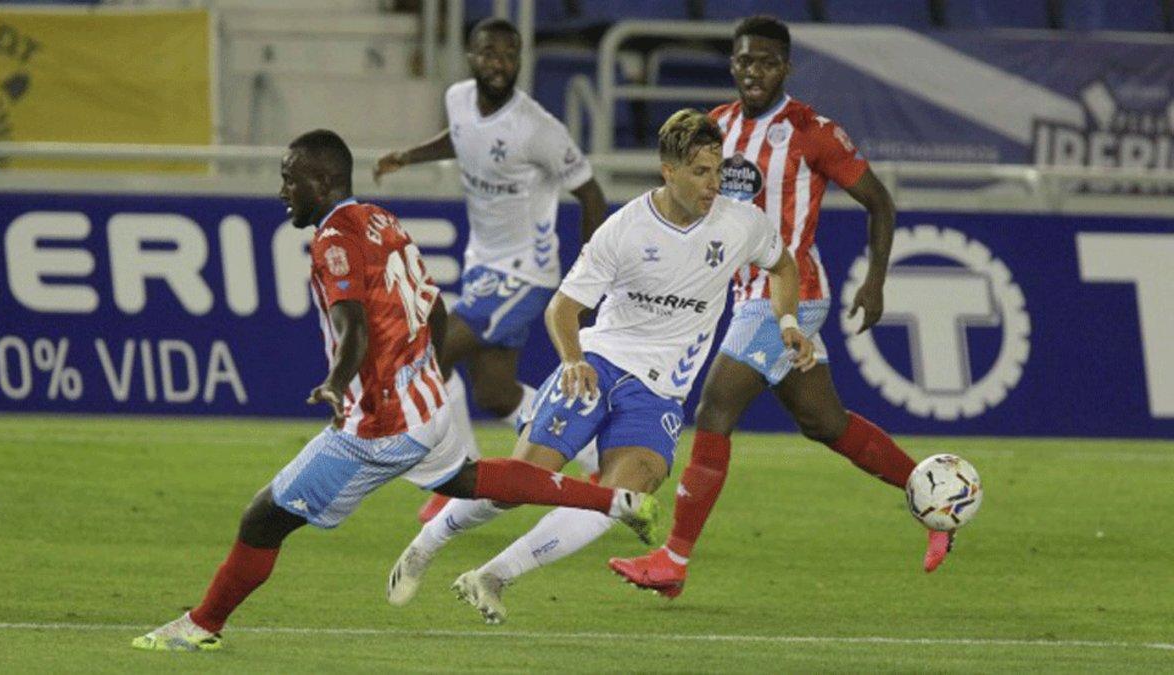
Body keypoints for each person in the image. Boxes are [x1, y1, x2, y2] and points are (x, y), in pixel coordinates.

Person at [131, 130, 656, 652]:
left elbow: (352, 327)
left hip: (379, 424)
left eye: (290, 179)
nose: (283, 191)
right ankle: (614, 498)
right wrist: (423, 367)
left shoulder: (334, 240)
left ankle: (202, 624)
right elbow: (433, 305)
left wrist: (337, 385)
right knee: (467, 479)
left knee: (263, 519)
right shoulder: (381, 219)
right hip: (425, 400)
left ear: (324, 180)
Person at [383, 109, 814, 625]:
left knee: (620, 499)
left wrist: (786, 319)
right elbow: (562, 309)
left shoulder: (740, 223)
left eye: (717, 170)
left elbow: (783, 264)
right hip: (599, 364)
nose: (713, 184)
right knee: (525, 481)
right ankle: (429, 541)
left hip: (658, 394)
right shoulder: (625, 229)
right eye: (700, 172)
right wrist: (572, 358)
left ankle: (493, 576)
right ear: (668, 171)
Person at [609, 15, 951, 599]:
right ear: (733, 64)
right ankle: (934, 505)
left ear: (785, 68)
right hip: (739, 295)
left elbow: (880, 203)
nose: (753, 72)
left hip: (789, 293)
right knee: (825, 423)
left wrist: (875, 282)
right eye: (744, 61)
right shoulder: (714, 127)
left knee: (716, 408)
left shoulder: (811, 130)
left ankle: (673, 561)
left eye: (766, 62)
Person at [374, 18, 608, 524]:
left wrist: (591, 274)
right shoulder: (458, 98)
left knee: (432, 352)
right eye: (488, 53)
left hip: (525, 273)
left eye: (509, 54)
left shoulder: (538, 128)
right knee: (496, 392)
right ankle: (594, 458)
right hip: (483, 266)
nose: (499, 63)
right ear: (471, 56)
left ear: (519, 58)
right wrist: (409, 156)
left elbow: (590, 191)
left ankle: (455, 476)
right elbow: (462, 138)